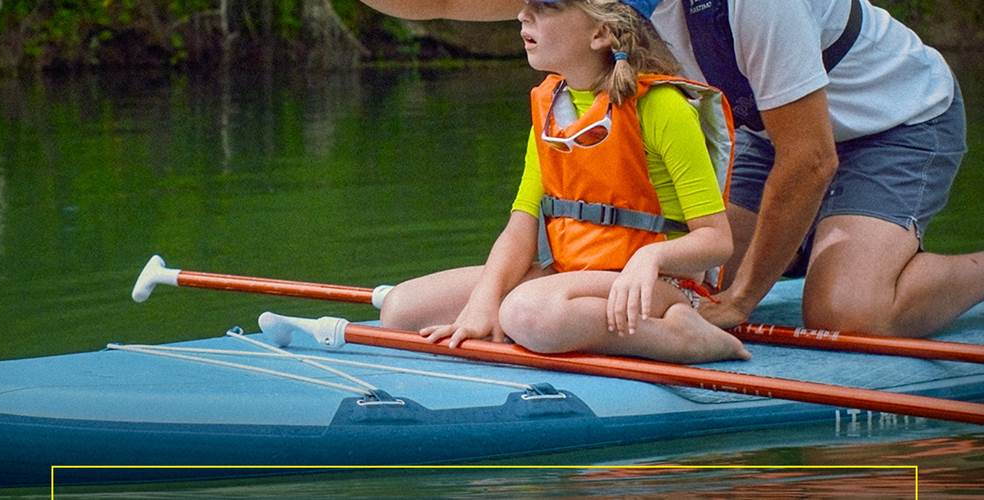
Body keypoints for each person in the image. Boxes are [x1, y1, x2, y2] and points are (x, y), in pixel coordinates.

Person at [363, 0, 984, 338]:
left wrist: (742, 300)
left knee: (847, 313)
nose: (530, 15)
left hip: (895, 124)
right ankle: (819, 246)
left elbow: (813, 158)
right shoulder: (594, 9)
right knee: (699, 272)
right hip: (767, 130)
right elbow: (440, 2)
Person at [379, 0, 751, 363]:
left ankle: (683, 335)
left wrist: (650, 257)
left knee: (526, 312)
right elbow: (521, 226)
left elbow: (716, 241)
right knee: (400, 310)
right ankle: (555, 323)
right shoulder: (551, 108)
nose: (524, 14)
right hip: (568, 276)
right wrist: (483, 302)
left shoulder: (662, 107)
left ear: (601, 32)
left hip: (656, 287)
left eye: (547, 5)